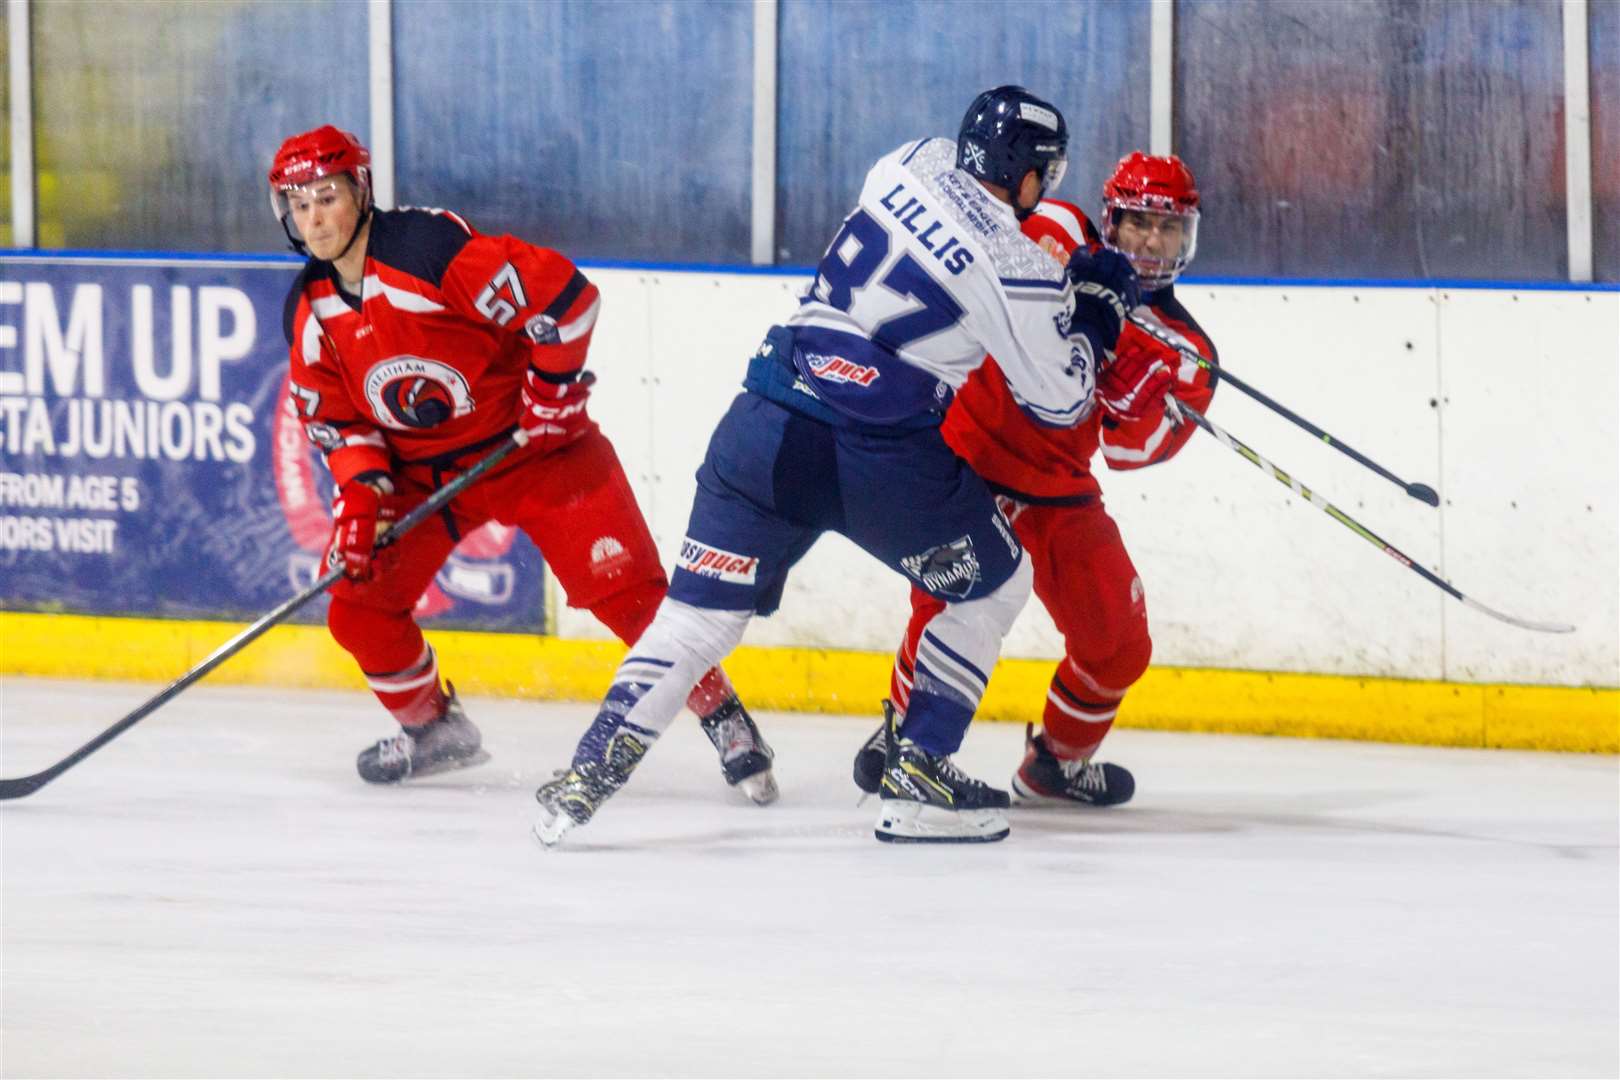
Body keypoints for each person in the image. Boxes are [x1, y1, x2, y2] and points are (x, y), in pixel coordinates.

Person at [532, 86, 1139, 847]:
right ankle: (918, 772)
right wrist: (1092, 313)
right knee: (998, 583)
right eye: (1044, 173)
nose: (1045, 189)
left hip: (765, 424)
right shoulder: (1018, 268)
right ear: (1025, 176)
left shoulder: (907, 161)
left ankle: (584, 779)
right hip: (877, 457)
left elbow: (936, 244)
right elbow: (1061, 398)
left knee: (694, 620)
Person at [268, 124, 776, 801]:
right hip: (426, 478)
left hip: (535, 451)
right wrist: (360, 500)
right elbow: (339, 421)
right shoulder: (309, 310)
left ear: (360, 190)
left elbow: (566, 300)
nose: (314, 219)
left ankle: (725, 717)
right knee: (357, 608)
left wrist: (552, 395)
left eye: (325, 197)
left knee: (630, 598)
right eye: (299, 206)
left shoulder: (426, 250)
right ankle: (433, 731)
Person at [851, 152, 1218, 807]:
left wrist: (1133, 399)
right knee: (945, 605)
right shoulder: (1048, 224)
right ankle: (903, 742)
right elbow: (971, 260)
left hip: (1058, 486)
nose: (1151, 242)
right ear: (1111, 218)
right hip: (968, 456)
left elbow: (1131, 453)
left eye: (1168, 229)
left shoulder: (1187, 351)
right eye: (1137, 223)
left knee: (1117, 643)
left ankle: (1056, 765)